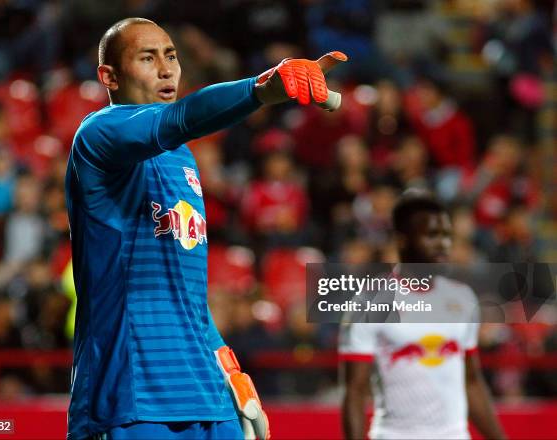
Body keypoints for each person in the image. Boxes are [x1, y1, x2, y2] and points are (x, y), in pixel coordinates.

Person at [65, 17, 346, 440]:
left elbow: (188, 293)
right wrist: (263, 88)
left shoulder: (182, 159)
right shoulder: (98, 135)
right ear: (110, 76)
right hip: (132, 401)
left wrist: (232, 374)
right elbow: (181, 117)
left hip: (209, 400)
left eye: (172, 56)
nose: (166, 70)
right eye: (147, 58)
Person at [339, 190, 506, 439]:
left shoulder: (463, 298)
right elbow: (355, 391)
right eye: (432, 235)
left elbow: (470, 381)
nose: (444, 244)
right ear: (402, 239)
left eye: (447, 236)